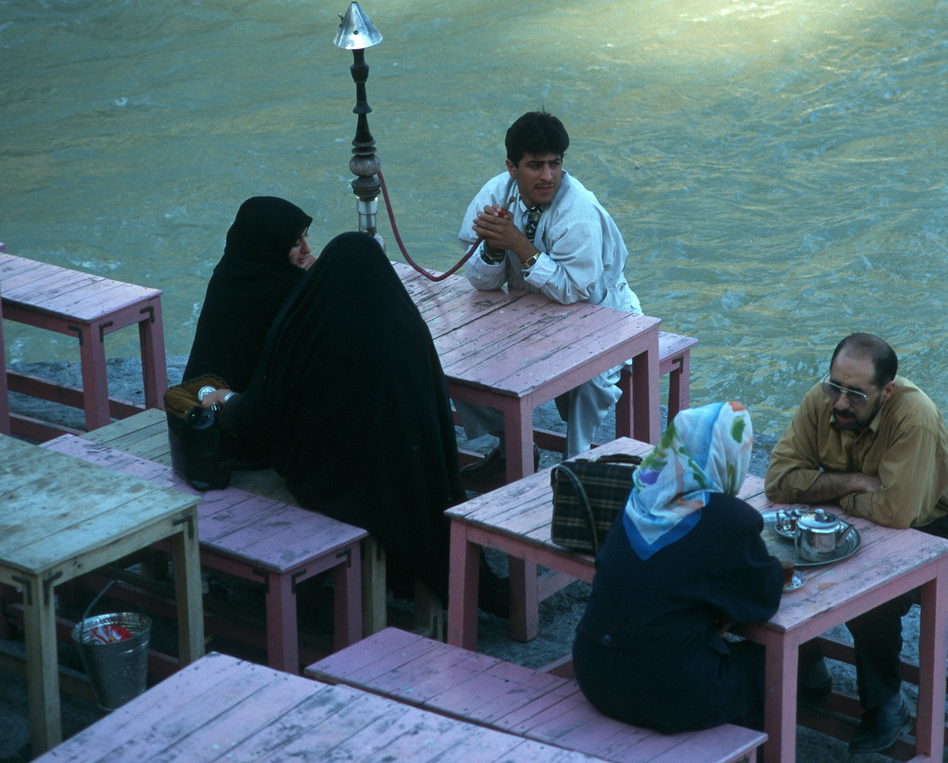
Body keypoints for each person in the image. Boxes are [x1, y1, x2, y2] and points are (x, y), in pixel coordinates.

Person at [198, 231, 507, 613]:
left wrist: (226, 401)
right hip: (407, 478)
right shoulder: (406, 327)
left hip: (331, 484)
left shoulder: (306, 325)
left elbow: (260, 414)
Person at [764, 333, 948, 755]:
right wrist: (856, 483)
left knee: (871, 596)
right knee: (774, 562)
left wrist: (824, 489)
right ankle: (808, 670)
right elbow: (780, 481)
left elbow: (898, 513)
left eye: (856, 395)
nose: (840, 404)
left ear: (887, 391)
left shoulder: (915, 416)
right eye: (835, 387)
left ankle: (885, 707)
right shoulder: (822, 398)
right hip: (853, 513)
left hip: (931, 529)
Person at [573, 401, 782, 733]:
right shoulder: (731, 518)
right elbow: (763, 599)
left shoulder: (638, 498)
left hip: (592, 671)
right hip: (664, 690)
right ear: (732, 457)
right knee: (775, 667)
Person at [457, 110, 642, 474]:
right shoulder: (494, 194)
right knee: (460, 363)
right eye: (535, 165)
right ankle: (512, 445)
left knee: (589, 381)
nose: (548, 176)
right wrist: (494, 248)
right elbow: (480, 280)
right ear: (512, 167)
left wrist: (518, 245)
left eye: (555, 164)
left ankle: (575, 468)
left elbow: (575, 290)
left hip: (600, 313)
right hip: (529, 311)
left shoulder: (579, 212)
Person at [184, 196, 314, 393]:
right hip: (234, 414)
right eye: (297, 242)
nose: (307, 249)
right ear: (274, 244)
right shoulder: (284, 288)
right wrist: (313, 279)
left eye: (306, 237)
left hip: (190, 406)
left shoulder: (229, 272)